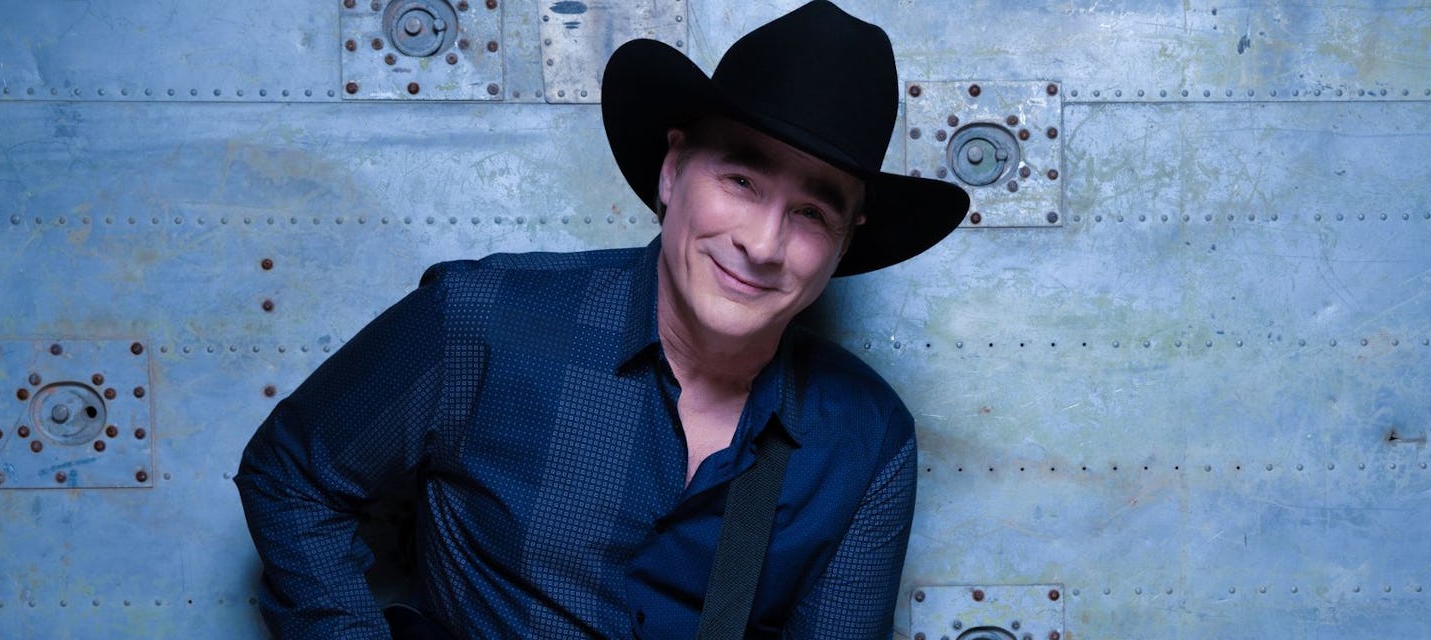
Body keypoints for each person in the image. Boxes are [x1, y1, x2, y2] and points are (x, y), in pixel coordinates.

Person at [234, 1, 969, 637]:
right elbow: (290, 477)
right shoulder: (482, 322)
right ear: (673, 171)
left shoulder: (867, 440)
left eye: (811, 214)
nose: (763, 244)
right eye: (741, 181)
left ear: (843, 244)